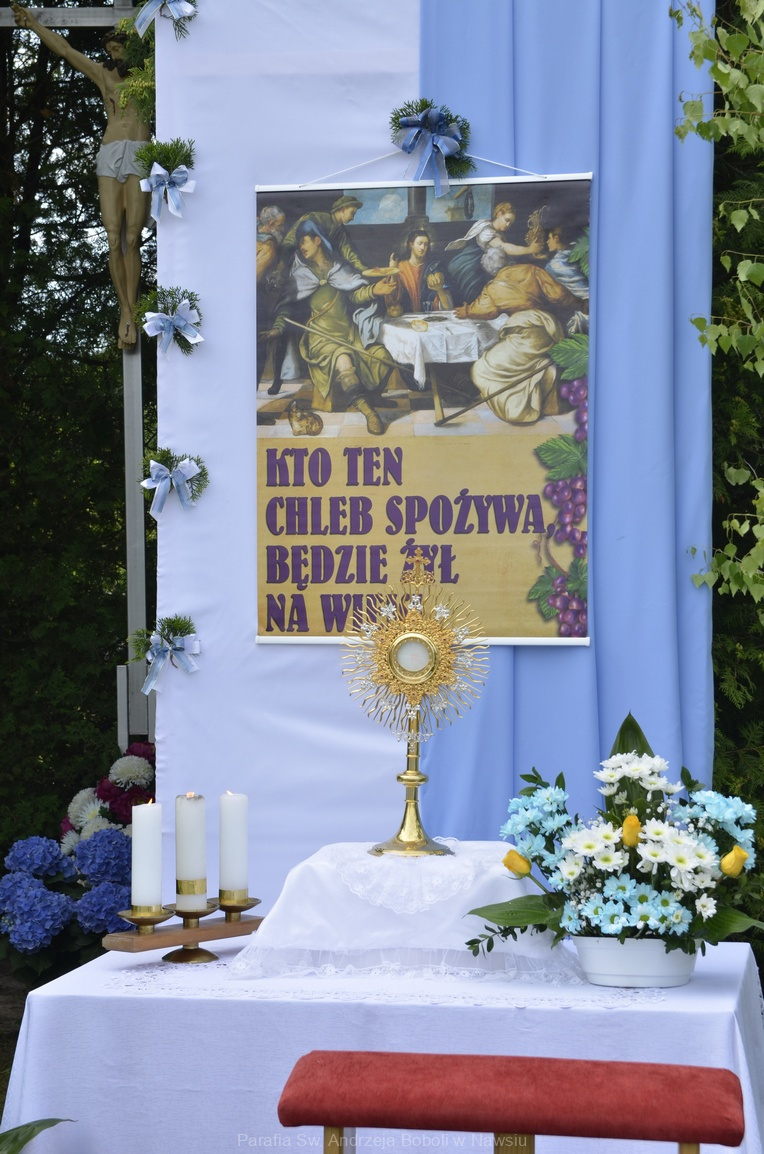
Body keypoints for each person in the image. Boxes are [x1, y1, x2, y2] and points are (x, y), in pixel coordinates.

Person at [12, 5, 150, 350]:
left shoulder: (152, 75)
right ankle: (126, 311)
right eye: (109, 51)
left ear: (130, 48)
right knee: (113, 237)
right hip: (110, 154)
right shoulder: (104, 76)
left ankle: (133, 310)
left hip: (140, 153)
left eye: (117, 49)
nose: (112, 56)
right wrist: (33, 25)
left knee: (133, 237)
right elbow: (65, 49)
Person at [261, 221, 399, 435]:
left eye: (304, 241)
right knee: (343, 361)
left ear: (318, 240)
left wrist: (374, 290)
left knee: (383, 356)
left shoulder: (339, 268)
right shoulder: (301, 274)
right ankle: (369, 413)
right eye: (299, 243)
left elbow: (354, 295)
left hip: (349, 335)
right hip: (321, 339)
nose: (301, 247)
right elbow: (286, 306)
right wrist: (278, 328)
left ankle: (372, 396)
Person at [454, 249, 586, 424]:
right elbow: (559, 295)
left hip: (527, 334)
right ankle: (542, 376)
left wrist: (466, 311)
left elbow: (482, 310)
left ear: (489, 270)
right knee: (526, 363)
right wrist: (580, 304)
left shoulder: (493, 288)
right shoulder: (531, 270)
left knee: (481, 369)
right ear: (508, 260)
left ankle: (517, 410)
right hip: (550, 328)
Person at [445, 201, 544, 305]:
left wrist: (530, 255)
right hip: (470, 267)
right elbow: (504, 247)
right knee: (474, 298)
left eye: (510, 223)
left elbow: (508, 254)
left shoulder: (499, 234)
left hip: (483, 268)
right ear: (499, 214)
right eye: (507, 220)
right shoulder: (486, 230)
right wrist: (529, 249)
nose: (508, 225)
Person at [280, 195, 367, 274]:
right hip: (300, 263)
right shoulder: (317, 218)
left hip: (321, 267)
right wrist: (283, 258)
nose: (352, 218)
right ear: (343, 210)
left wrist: (363, 269)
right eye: (352, 213)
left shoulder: (340, 232)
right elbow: (292, 236)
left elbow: (348, 253)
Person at [387, 229, 453, 314]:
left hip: (429, 317)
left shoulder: (433, 268)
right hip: (406, 316)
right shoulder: (400, 268)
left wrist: (439, 290)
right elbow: (391, 299)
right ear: (411, 245)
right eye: (419, 243)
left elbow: (448, 307)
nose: (423, 248)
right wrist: (393, 273)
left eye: (426, 244)